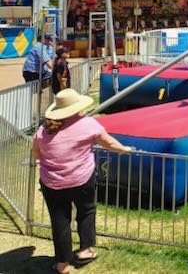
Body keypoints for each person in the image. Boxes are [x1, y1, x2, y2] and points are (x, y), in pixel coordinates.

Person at [32, 89, 133, 274]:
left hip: (52, 182)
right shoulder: (86, 124)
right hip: (80, 179)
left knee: (59, 220)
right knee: (86, 211)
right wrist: (124, 149)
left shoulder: (43, 129)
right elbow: (108, 142)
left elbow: (36, 154)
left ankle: (62, 263)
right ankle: (85, 249)